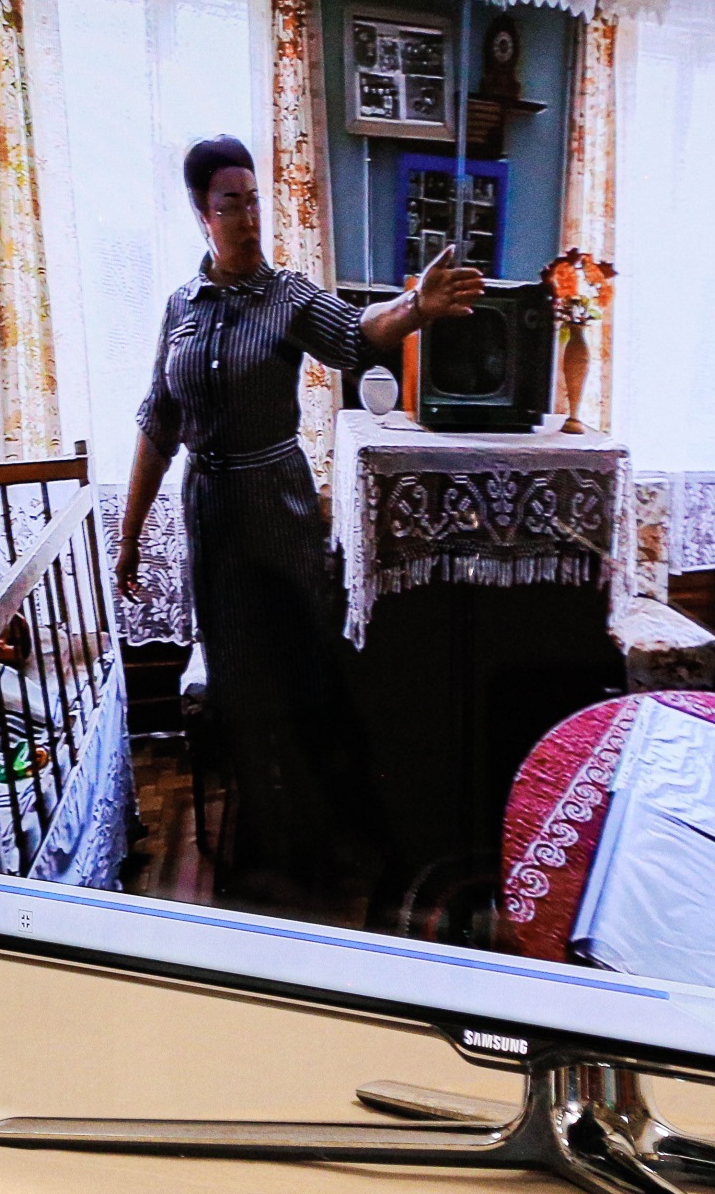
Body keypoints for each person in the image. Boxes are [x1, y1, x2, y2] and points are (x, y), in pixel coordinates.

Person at [115, 136, 479, 909]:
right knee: (237, 686)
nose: (248, 217)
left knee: (302, 680)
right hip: (210, 514)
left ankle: (324, 847)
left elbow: (355, 333)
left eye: (254, 201)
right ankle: (263, 849)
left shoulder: (286, 295)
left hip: (278, 510)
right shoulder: (182, 307)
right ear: (202, 214)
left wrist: (415, 307)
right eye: (230, 204)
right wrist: (130, 533)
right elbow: (159, 419)